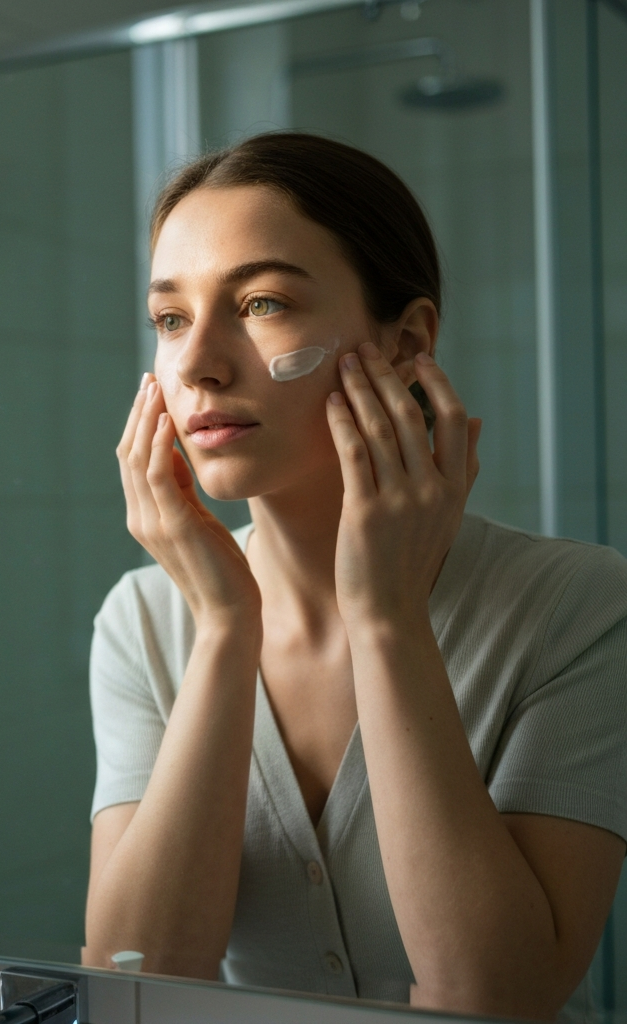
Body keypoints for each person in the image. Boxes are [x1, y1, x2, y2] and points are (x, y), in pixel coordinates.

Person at [81, 132, 627, 1022]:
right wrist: (224, 631)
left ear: (407, 340)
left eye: (260, 303)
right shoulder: (142, 620)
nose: (195, 364)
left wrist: (387, 622)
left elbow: (498, 998)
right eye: (172, 318)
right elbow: (134, 981)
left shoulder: (576, 605)